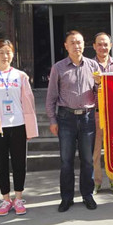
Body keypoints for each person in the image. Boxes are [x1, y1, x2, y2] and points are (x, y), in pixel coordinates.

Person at [0, 39, 39, 216]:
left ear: (13, 54)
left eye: (8, 52)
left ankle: (18, 198)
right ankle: (5, 199)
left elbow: (29, 102)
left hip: (18, 126)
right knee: (1, 165)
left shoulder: (21, 76)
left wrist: (30, 127)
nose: (5, 56)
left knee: (20, 163)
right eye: (1, 52)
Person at [46, 30, 101, 212]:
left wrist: (100, 87)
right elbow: (51, 97)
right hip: (66, 119)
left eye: (79, 42)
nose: (77, 46)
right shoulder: (59, 68)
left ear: (84, 44)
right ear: (66, 46)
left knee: (87, 160)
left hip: (87, 118)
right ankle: (66, 198)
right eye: (73, 42)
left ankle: (87, 195)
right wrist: (53, 120)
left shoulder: (93, 66)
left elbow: (99, 93)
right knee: (66, 161)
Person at [91, 32, 113, 195]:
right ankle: (95, 182)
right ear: (94, 46)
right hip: (95, 114)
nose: (102, 47)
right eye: (99, 44)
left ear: (110, 46)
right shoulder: (88, 65)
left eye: (105, 44)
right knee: (95, 151)